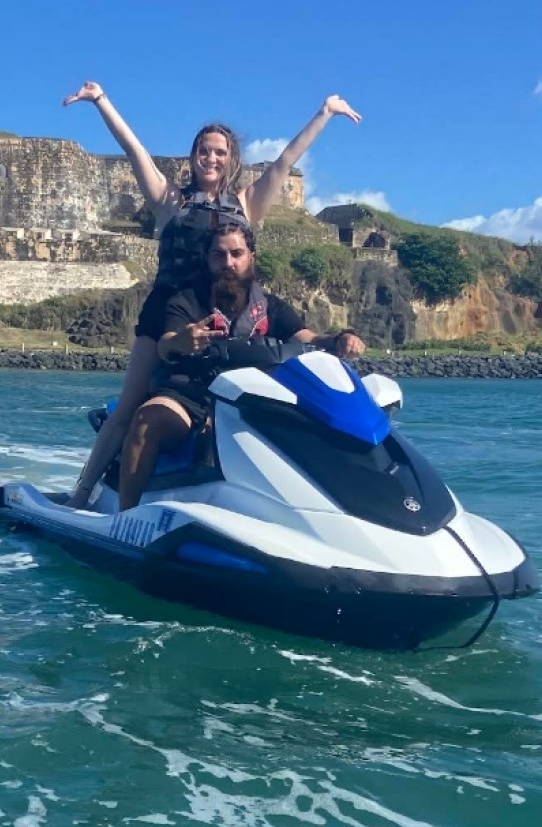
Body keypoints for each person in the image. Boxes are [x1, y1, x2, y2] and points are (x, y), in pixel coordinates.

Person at [61, 82, 361, 507]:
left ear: (231, 158)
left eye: (220, 151)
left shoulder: (246, 203)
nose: (211, 157)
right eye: (204, 150)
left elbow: (285, 161)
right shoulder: (171, 200)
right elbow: (134, 150)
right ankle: (81, 494)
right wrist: (101, 101)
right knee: (129, 406)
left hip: (230, 312)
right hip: (168, 312)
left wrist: (325, 113)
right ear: (193, 156)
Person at [117, 221, 366, 510]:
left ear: (251, 257)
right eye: (219, 255)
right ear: (207, 259)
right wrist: (180, 342)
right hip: (191, 397)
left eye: (236, 254)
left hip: (251, 399)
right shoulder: (186, 300)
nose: (228, 263)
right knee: (148, 419)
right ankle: (125, 515)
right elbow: (166, 343)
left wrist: (339, 339)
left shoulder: (270, 307)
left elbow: (307, 338)